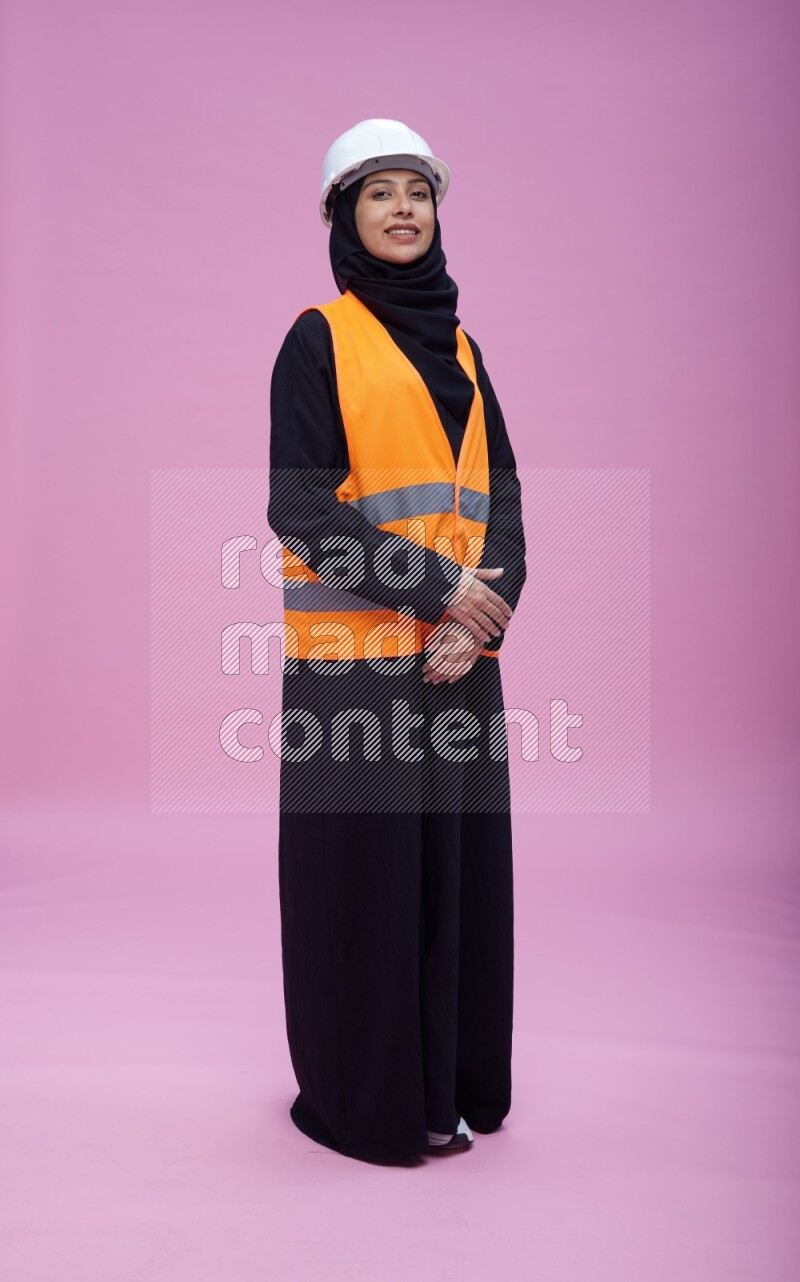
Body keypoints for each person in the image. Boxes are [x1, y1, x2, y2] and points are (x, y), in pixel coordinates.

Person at [268, 119, 527, 1162]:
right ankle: (362, 1101)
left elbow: (499, 496)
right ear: (341, 217)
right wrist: (440, 595)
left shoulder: (464, 348)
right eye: (376, 193)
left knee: (456, 879)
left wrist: (481, 618)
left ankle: (444, 1087)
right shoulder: (316, 338)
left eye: (416, 192)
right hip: (353, 671)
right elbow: (303, 513)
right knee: (362, 887)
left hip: (459, 664)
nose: (402, 210)